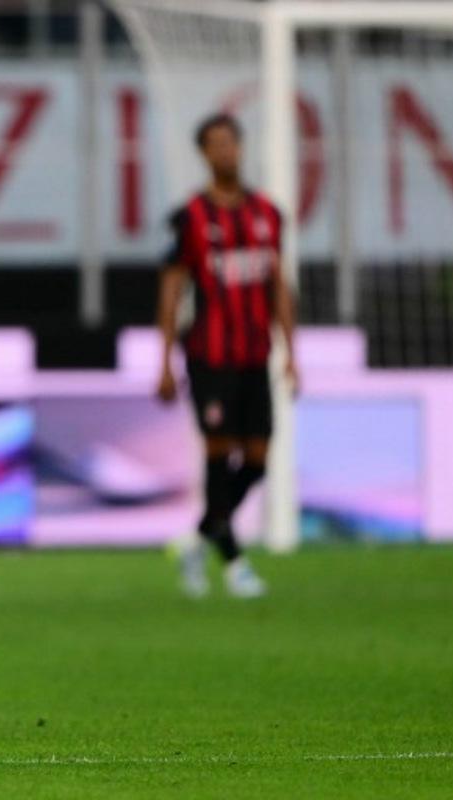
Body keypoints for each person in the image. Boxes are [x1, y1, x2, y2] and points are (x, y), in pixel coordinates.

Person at [156, 113, 299, 599]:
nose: (225, 152)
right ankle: (236, 565)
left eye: (230, 143)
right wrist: (163, 361)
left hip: (255, 353)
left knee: (257, 460)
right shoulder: (191, 217)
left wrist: (291, 353)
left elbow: (278, 283)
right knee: (218, 453)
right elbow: (172, 288)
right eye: (215, 144)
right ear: (204, 153)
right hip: (209, 356)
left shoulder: (267, 213)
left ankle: (197, 540)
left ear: (241, 147)